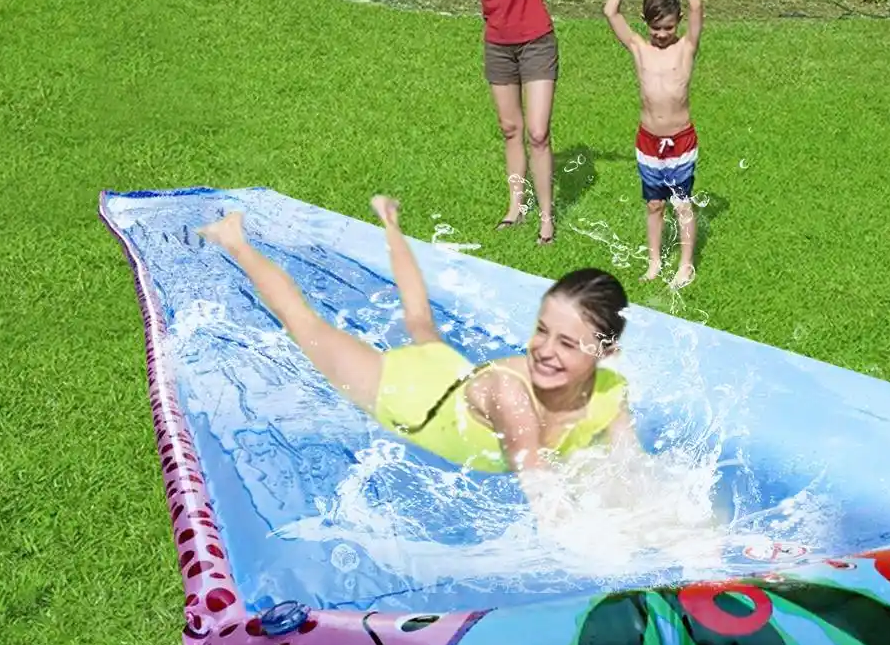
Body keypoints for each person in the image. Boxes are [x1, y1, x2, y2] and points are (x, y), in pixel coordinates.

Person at [197, 197, 644, 524]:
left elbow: (635, 471)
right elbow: (544, 499)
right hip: (408, 397)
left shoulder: (611, 393)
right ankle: (233, 238)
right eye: (542, 330)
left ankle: (389, 222)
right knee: (305, 324)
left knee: (421, 322)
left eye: (567, 343)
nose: (544, 350)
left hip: (451, 372)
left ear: (606, 353)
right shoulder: (512, 394)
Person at [406, 0, 590, 246]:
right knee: (511, 130)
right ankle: (515, 207)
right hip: (498, 46)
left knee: (538, 133)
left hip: (537, 41)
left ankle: (546, 218)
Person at [603, 0, 705, 289]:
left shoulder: (686, 47)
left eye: (668, 27)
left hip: (680, 141)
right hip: (648, 141)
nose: (662, 34)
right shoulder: (639, 48)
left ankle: (686, 265)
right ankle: (654, 261)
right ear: (645, 23)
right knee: (654, 204)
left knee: (681, 204)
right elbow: (610, 11)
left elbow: (697, 6)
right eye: (656, 28)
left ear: (678, 21)